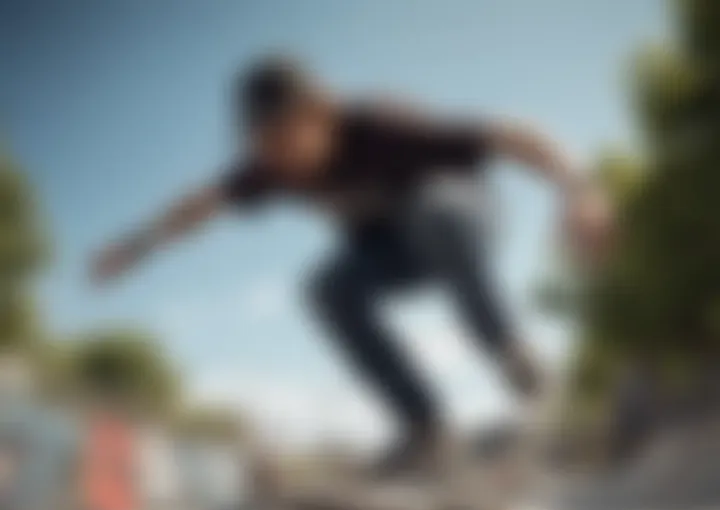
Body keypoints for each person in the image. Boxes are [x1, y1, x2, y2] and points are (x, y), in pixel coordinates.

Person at [91, 56, 612, 480]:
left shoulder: (379, 127)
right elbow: (202, 203)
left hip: (465, 217)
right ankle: (425, 428)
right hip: (394, 253)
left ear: (320, 114)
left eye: (284, 141)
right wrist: (137, 247)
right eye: (264, 149)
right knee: (326, 289)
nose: (280, 162)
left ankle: (510, 353)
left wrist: (579, 189)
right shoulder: (270, 170)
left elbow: (511, 134)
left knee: (434, 211)